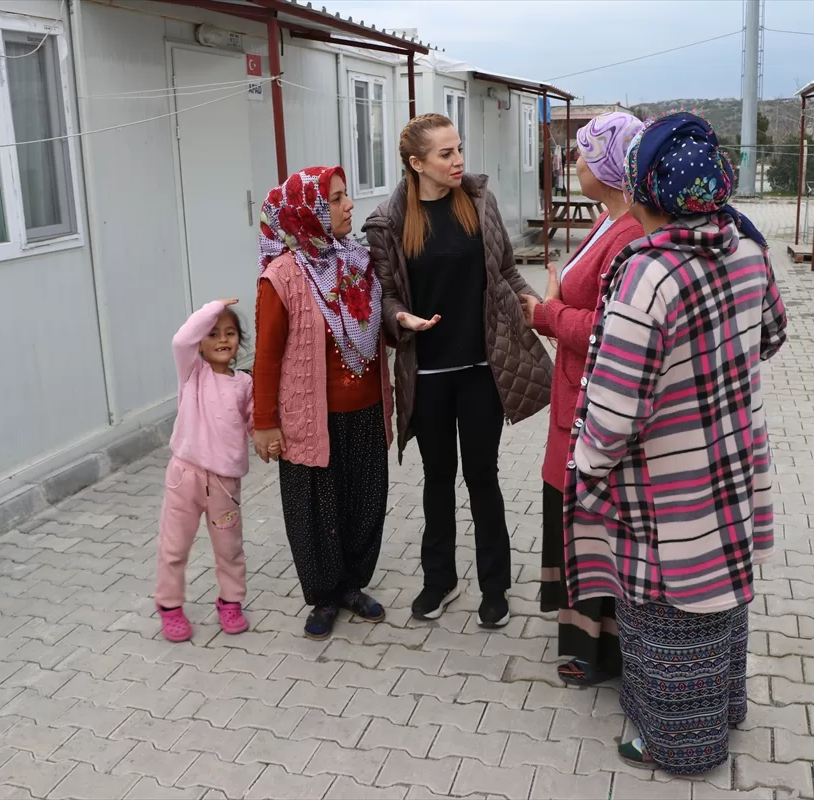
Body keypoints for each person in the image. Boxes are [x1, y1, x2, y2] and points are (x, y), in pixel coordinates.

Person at [563, 111, 787, 774]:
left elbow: (615, 406)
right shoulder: (745, 246)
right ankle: (725, 706)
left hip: (668, 480)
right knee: (722, 594)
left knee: (666, 612)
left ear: (644, 187)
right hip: (732, 456)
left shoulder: (648, 274)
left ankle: (678, 743)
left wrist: (587, 463)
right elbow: (772, 333)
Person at [364, 113, 552, 629]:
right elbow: (386, 293)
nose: (458, 160)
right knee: (437, 479)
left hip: (481, 368)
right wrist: (399, 317)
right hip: (427, 373)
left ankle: (495, 586)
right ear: (415, 162)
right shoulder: (388, 222)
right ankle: (439, 580)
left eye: (459, 149)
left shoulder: (480, 201)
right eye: (445, 154)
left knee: (482, 476)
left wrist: (536, 306)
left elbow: (507, 271)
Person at [520, 111, 646, 687]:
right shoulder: (610, 220)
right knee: (572, 519)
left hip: (592, 403)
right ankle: (584, 640)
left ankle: (599, 651)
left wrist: (549, 315)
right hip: (576, 395)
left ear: (608, 165)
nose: (574, 164)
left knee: (590, 525)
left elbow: (609, 328)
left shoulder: (629, 234)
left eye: (582, 154)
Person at [253, 166, 394, 642]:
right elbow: (267, 358)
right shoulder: (283, 277)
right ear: (307, 212)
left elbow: (382, 324)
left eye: (345, 196)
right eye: (335, 199)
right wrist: (264, 424)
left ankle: (353, 586)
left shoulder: (359, 261)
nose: (348, 205)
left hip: (367, 410)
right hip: (311, 419)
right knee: (317, 510)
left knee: (364, 501)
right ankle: (323, 595)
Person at [156, 299, 256, 642]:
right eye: (213, 334)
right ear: (200, 342)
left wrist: (270, 441)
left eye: (230, 333)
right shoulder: (191, 373)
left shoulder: (244, 383)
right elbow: (181, 340)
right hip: (185, 476)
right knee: (174, 548)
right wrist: (212, 308)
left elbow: (256, 423)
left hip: (225, 485)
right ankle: (169, 607)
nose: (222, 339)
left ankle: (230, 602)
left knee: (229, 548)